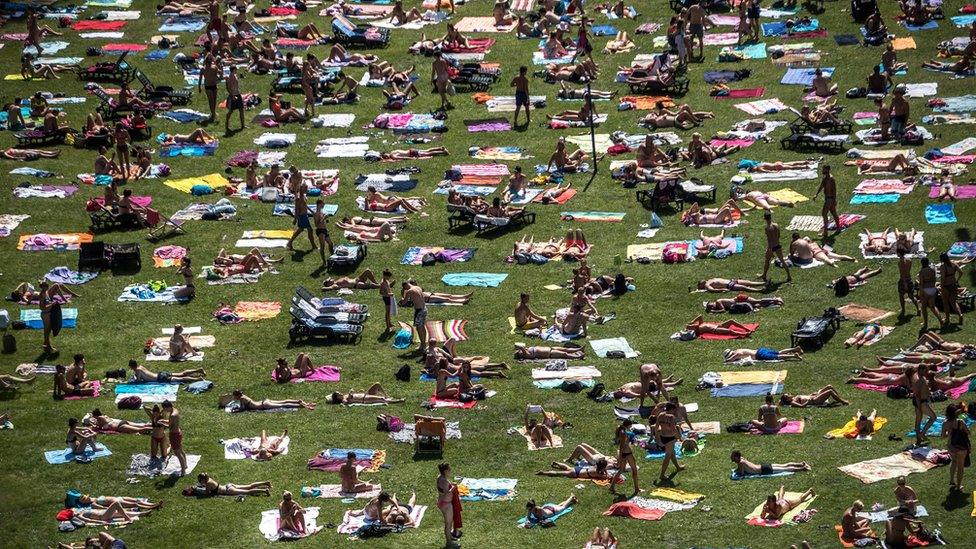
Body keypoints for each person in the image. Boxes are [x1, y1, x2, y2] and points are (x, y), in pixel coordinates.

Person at [942, 403, 971, 491]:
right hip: (961, 448)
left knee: (954, 461)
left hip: (951, 447)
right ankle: (958, 487)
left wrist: (950, 432)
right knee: (960, 467)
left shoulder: (945, 423)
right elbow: (968, 432)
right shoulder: (960, 422)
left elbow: (943, 436)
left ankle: (951, 480)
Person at [655, 402, 685, 481]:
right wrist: (679, 437)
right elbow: (673, 429)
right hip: (670, 438)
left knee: (672, 453)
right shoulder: (671, 417)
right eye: (674, 409)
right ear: (671, 409)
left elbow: (656, 426)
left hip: (663, 437)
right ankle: (662, 475)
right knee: (667, 456)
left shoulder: (661, 415)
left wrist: (657, 437)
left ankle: (678, 467)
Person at [610, 419, 639, 496]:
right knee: (634, 469)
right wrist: (620, 458)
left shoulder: (622, 430)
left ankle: (612, 487)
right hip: (627, 453)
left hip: (625, 453)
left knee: (621, 470)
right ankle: (637, 489)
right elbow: (622, 446)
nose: (631, 426)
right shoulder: (623, 433)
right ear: (628, 425)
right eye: (631, 425)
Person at [760, 212, 791, 283]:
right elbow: (778, 235)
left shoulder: (767, 228)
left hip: (771, 247)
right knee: (782, 260)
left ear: (764, 218)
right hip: (778, 245)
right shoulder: (776, 225)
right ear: (771, 217)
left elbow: (769, 240)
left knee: (767, 260)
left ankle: (764, 275)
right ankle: (789, 276)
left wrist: (769, 250)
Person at [184, 472, 271, 497]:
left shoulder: (207, 484)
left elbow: (207, 493)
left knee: (247, 492)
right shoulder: (209, 479)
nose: (200, 482)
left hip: (228, 490)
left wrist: (198, 493)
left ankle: (264, 490)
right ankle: (265, 483)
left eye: (200, 480)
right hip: (228, 485)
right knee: (249, 485)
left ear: (203, 479)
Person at [731, 450, 810, 477]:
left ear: (737, 457)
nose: (732, 459)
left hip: (764, 470)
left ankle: (803, 468)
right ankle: (801, 463)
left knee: (786, 469)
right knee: (784, 465)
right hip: (764, 466)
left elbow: (741, 474)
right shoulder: (742, 459)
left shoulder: (741, 463)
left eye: (733, 458)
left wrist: (737, 472)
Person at [912, 364, 937, 447]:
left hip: (919, 401)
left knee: (918, 421)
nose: (927, 372)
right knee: (933, 417)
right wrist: (919, 407)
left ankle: (918, 441)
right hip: (921, 402)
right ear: (921, 370)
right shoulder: (918, 380)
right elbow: (918, 394)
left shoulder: (918, 375)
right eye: (925, 370)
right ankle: (922, 434)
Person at [437, 463, 462, 547]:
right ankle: (449, 543)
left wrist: (451, 485)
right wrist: (453, 487)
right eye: (449, 469)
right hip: (446, 504)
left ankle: (450, 538)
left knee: (449, 523)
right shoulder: (443, 480)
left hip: (443, 502)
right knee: (448, 524)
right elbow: (446, 493)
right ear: (445, 471)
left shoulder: (440, 477)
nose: (450, 471)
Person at [917, 257, 945, 331]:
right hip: (932, 289)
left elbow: (921, 284)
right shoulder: (932, 270)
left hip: (925, 290)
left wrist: (921, 293)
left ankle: (925, 323)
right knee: (932, 307)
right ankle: (941, 320)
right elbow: (934, 280)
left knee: (923, 307)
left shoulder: (921, 272)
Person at [812, 165, 840, 239]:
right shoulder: (825, 178)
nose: (822, 171)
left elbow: (834, 190)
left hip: (829, 199)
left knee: (824, 214)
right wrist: (816, 194)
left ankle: (825, 232)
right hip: (828, 199)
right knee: (833, 213)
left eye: (823, 169)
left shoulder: (831, 179)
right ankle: (838, 228)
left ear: (827, 170)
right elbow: (821, 186)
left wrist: (834, 200)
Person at [160, 401, 187, 475]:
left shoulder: (172, 415)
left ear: (168, 407)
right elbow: (171, 422)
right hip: (178, 432)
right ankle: (185, 465)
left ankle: (183, 470)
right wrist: (163, 420)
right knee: (180, 449)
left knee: (177, 453)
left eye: (165, 409)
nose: (165, 411)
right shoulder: (175, 410)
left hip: (174, 435)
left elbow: (169, 425)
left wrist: (161, 423)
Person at [939, 253, 964, 326]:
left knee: (945, 302)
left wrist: (941, 286)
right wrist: (957, 280)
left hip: (946, 286)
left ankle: (947, 319)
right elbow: (961, 272)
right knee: (953, 302)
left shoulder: (943, 267)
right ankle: (960, 315)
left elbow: (943, 278)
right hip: (953, 285)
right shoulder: (953, 264)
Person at [129, 359, 204, 384]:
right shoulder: (141, 366)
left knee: (181, 378)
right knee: (181, 374)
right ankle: (198, 370)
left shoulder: (137, 370)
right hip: (160, 374)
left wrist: (132, 381)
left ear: (131, 366)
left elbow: (138, 381)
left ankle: (198, 379)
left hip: (160, 378)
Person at [232, 390, 315, 411]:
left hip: (263, 405)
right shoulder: (244, 396)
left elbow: (242, 408)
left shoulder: (242, 399)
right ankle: (299, 401)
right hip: (264, 401)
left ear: (237, 395)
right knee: (284, 401)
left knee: (283, 405)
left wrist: (236, 410)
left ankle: (303, 405)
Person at [404, 279, 428, 351]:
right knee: (422, 326)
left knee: (418, 328)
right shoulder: (418, 287)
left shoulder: (410, 291)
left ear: (406, 285)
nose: (406, 289)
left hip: (419, 311)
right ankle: (423, 344)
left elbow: (404, 302)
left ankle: (423, 345)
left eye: (405, 288)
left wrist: (402, 301)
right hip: (424, 308)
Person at [329, 383, 405, 405]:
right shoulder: (344, 399)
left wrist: (358, 391)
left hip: (365, 394)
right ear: (338, 398)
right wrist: (350, 394)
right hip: (364, 399)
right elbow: (346, 402)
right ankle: (398, 401)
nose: (340, 393)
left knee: (377, 384)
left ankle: (386, 395)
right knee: (382, 399)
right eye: (339, 394)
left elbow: (354, 395)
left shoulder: (344, 395)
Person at [38, 281, 58, 355]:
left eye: (47, 286)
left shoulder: (46, 292)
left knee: (48, 330)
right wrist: (51, 304)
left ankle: (46, 345)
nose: (47, 287)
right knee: (47, 331)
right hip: (45, 314)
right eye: (45, 286)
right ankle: (48, 347)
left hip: (48, 313)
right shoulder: (42, 294)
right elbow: (41, 307)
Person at [780, 386, 849, 407]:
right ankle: (843, 401)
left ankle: (839, 398)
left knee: (829, 386)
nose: (789, 394)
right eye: (787, 395)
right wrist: (808, 402)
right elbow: (801, 406)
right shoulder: (793, 402)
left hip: (814, 397)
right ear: (788, 400)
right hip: (815, 401)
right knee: (830, 391)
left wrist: (810, 395)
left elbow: (806, 397)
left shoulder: (795, 397)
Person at [225, 65, 245, 131]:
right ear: (234, 69)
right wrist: (232, 95)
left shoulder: (235, 75)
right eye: (236, 69)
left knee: (241, 110)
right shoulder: (229, 77)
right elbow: (228, 87)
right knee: (231, 111)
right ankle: (226, 124)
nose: (237, 70)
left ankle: (243, 125)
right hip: (233, 95)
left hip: (238, 94)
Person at [514, 342, 585, 360]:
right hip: (549, 353)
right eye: (519, 352)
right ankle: (578, 357)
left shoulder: (527, 350)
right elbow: (522, 348)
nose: (519, 351)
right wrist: (519, 348)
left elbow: (523, 347)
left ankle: (579, 349)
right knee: (565, 354)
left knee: (566, 349)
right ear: (521, 355)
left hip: (550, 348)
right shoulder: (526, 355)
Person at [724, 347, 803, 362]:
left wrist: (726, 360)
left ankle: (793, 356)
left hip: (759, 355)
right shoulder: (738, 349)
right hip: (760, 350)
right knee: (778, 352)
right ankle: (795, 348)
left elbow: (731, 359)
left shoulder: (737, 353)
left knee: (777, 357)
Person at [695, 278, 767, 293]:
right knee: (744, 288)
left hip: (731, 281)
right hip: (729, 285)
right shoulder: (707, 285)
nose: (701, 281)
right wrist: (722, 290)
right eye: (700, 283)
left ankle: (763, 283)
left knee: (749, 282)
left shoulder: (710, 280)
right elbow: (712, 290)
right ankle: (760, 290)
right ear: (701, 285)